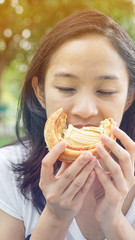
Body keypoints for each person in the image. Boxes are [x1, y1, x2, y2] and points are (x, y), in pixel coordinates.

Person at [0, 8, 135, 240]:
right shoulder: (7, 170)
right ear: (40, 92)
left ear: (128, 99)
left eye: (105, 91)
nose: (84, 110)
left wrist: (113, 220)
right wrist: (55, 218)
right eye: (66, 88)